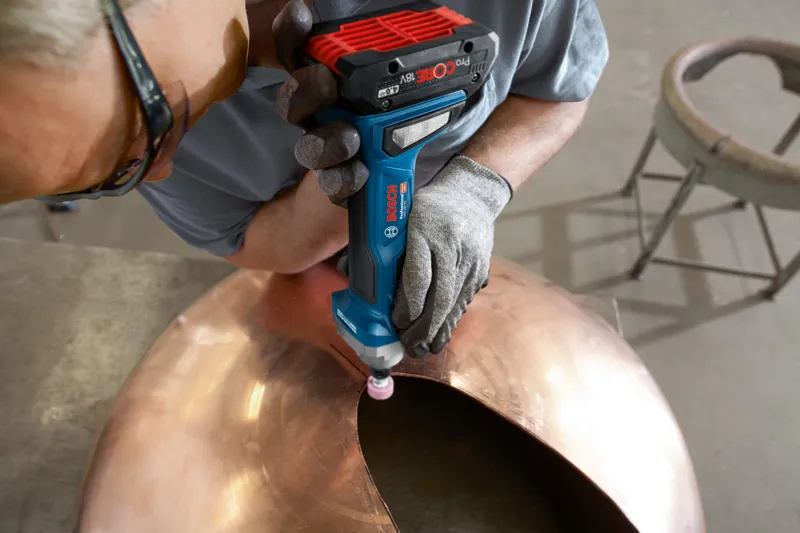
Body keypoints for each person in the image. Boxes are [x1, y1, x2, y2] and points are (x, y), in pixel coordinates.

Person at [0, 0, 608, 356]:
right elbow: (251, 240)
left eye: (149, 128)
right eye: (113, 176)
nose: (159, 169)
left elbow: (558, 93)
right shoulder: (120, 120)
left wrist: (478, 187)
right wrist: (336, 190)